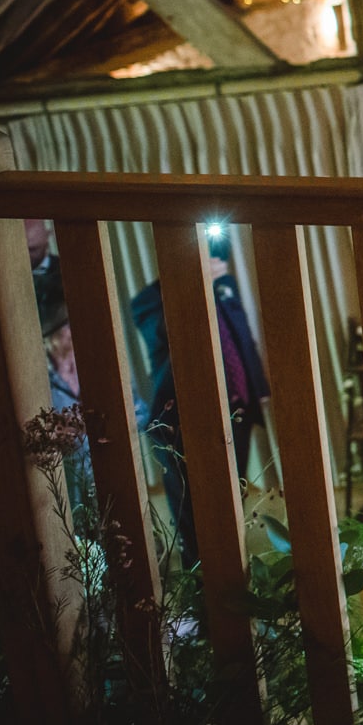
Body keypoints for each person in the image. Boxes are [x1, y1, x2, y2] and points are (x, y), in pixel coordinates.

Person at [131, 229, 270, 565]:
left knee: (230, 496)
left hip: (238, 406)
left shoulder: (225, 284)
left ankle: (233, 563)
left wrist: (258, 389)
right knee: (192, 503)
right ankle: (200, 576)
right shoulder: (150, 300)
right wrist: (191, 285)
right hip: (184, 419)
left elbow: (242, 336)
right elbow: (166, 337)